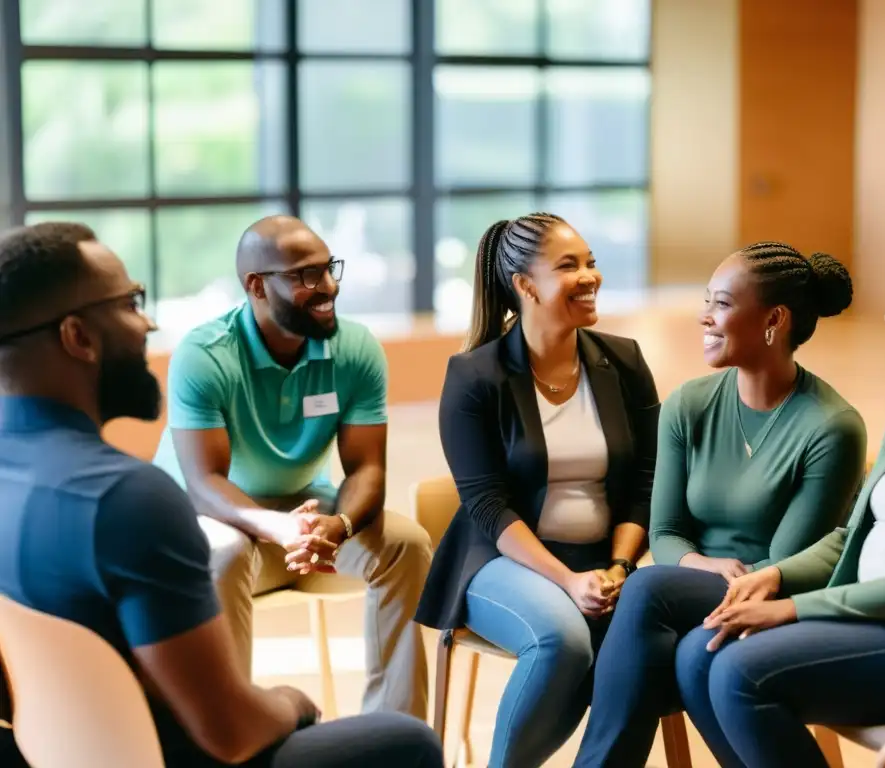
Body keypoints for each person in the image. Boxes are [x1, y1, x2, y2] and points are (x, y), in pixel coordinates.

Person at [0, 222, 443, 768]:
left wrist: (334, 526)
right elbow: (231, 734)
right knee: (408, 745)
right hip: (183, 749)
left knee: (405, 542)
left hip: (69, 749)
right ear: (78, 337)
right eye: (130, 303)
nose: (149, 321)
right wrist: (292, 702)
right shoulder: (130, 499)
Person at [664, 214, 885, 768]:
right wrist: (774, 576)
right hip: (880, 618)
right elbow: (858, 532)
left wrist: (790, 609)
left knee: (739, 672)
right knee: (695, 654)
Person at [573, 242, 868, 766]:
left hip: (778, 596)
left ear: (774, 319)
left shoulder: (831, 426)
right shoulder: (689, 404)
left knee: (647, 592)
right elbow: (664, 532)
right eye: (707, 300)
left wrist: (695, 572)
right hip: (687, 591)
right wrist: (698, 563)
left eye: (723, 304)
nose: (703, 317)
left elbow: (788, 563)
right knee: (688, 653)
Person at [150, 215, 431, 719]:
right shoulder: (205, 354)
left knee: (407, 545)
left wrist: (337, 525)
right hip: (209, 524)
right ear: (256, 285)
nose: (328, 287)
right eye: (306, 275)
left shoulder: (355, 348)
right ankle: (234, 732)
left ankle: (396, 734)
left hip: (303, 521)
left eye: (329, 269)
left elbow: (367, 469)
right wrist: (279, 528)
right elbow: (204, 482)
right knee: (229, 550)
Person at [414, 212, 661, 767]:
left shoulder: (624, 361)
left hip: (605, 563)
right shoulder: (475, 376)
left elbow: (648, 479)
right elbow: (487, 506)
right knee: (563, 639)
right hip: (503, 560)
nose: (590, 276)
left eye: (592, 262)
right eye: (569, 266)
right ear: (525, 285)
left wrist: (618, 568)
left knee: (645, 647)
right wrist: (570, 581)